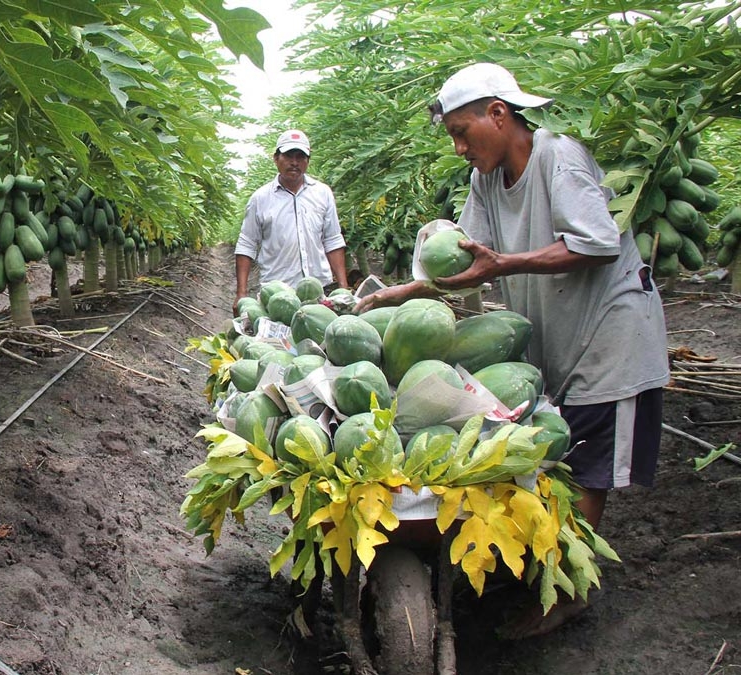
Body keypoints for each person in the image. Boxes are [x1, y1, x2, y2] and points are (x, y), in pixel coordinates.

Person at [355, 63, 670, 637]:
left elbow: (597, 243)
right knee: (557, 451)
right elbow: (471, 265)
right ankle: (545, 562)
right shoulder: (484, 182)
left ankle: (566, 592)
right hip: (559, 331)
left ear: (498, 114)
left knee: (588, 463)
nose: (458, 147)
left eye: (461, 132)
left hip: (610, 333)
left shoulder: (559, 157)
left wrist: (509, 263)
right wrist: (397, 294)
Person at [234, 129, 349, 313]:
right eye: (288, 156)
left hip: (320, 290)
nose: (294, 163)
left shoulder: (322, 193)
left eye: (300, 157)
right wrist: (241, 293)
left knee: (317, 335)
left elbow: (332, 240)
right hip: (276, 293)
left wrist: (343, 287)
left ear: (307, 161)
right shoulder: (260, 199)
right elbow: (246, 244)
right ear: (276, 158)